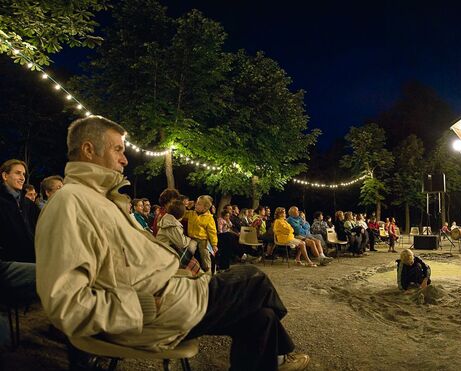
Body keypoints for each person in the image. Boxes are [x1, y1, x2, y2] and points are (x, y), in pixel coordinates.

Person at [35, 116, 309, 370]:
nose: (125, 159)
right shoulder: (70, 203)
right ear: (88, 149)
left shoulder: (101, 201)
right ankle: (285, 353)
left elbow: (127, 265)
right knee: (253, 278)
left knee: (261, 318)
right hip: (149, 312)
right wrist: (143, 304)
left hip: (166, 296)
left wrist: (178, 274)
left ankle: (280, 355)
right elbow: (67, 304)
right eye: (118, 149)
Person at [0, 159, 40, 263]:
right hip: (8, 262)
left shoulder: (28, 204)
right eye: (18, 173)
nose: (22, 178)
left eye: (24, 174)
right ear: (5, 176)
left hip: (33, 259)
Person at [156, 198, 198, 267]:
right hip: (165, 254)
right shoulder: (172, 225)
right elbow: (182, 243)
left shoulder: (168, 220)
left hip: (164, 250)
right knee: (193, 244)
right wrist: (190, 240)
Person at [186, 195, 219, 273]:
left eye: (199, 204)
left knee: (205, 254)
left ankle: (209, 271)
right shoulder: (191, 213)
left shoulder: (209, 218)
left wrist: (214, 244)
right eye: (196, 203)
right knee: (190, 250)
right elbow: (181, 213)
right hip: (192, 238)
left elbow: (212, 232)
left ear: (205, 208)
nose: (196, 205)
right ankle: (190, 268)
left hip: (203, 239)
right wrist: (187, 206)